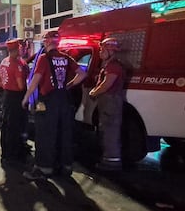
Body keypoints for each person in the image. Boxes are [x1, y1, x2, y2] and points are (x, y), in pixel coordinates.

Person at [21, 30, 87, 180]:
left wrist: (26, 97)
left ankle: (44, 169)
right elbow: (83, 74)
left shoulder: (44, 58)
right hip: (64, 99)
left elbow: (35, 80)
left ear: (47, 42)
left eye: (44, 41)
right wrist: (68, 85)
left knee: (45, 134)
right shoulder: (66, 58)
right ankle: (65, 166)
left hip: (48, 101)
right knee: (64, 134)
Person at [89, 37, 126, 171]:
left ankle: (111, 163)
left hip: (111, 102)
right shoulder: (109, 65)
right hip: (108, 102)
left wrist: (94, 92)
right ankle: (108, 159)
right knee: (107, 130)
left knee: (110, 132)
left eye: (102, 49)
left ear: (110, 51)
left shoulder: (113, 66)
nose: (100, 52)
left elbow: (107, 84)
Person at [0, 39, 29, 166]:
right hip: (16, 98)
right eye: (21, 47)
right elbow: (20, 86)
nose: (23, 49)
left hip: (6, 96)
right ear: (18, 49)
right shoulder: (17, 64)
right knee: (15, 127)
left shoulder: (4, 62)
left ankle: (6, 153)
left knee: (6, 126)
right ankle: (14, 154)